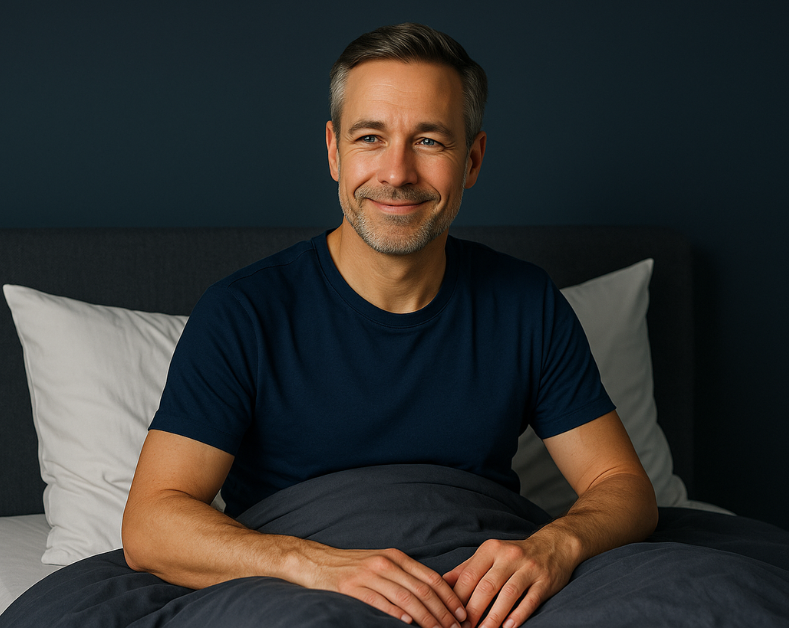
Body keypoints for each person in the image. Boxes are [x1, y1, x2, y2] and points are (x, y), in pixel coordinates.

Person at [122, 22, 658, 628]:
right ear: (333, 151)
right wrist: (319, 566)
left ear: (473, 159)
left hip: (481, 590)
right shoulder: (243, 312)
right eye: (371, 137)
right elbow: (151, 523)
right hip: (300, 591)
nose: (397, 172)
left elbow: (622, 485)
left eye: (429, 141)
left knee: (701, 600)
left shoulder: (524, 301)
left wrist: (554, 546)